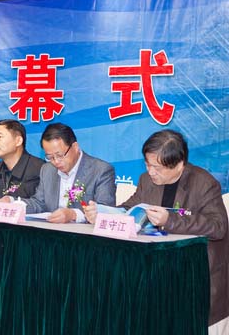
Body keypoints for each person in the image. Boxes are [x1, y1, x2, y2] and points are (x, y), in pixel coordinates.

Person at [84, 129, 229, 325]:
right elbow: (129, 208)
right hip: (157, 276)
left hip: (195, 278)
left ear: (179, 164)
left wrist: (170, 220)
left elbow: (218, 227)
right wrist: (103, 214)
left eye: (157, 167)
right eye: (147, 164)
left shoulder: (204, 183)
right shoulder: (146, 180)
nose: (151, 172)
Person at [21, 123, 116, 223]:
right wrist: (14, 203)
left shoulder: (101, 170)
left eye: (60, 155)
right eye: (50, 157)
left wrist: (73, 214)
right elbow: (39, 203)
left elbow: (105, 212)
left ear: (75, 147)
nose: (56, 161)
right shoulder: (47, 169)